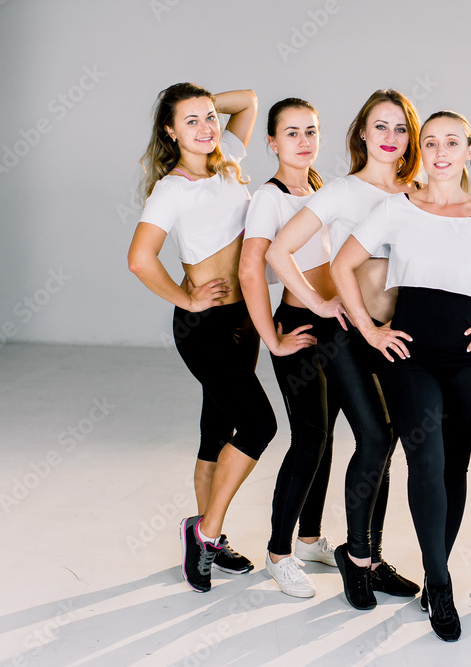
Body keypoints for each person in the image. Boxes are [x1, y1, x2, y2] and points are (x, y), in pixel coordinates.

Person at [331, 110, 471, 641]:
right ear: (422, 151)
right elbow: (343, 265)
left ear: (469, 150)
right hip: (411, 358)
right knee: (425, 464)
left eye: (451, 142)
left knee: (454, 468)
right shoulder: (396, 208)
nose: (439, 151)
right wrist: (369, 331)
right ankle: (441, 584)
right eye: (430, 142)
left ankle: (436, 578)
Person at [128, 83, 293, 593]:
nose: (206, 128)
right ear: (169, 131)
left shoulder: (229, 162)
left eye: (208, 119)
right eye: (190, 121)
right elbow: (139, 259)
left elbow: (247, 98)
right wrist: (187, 299)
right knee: (260, 425)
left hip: (243, 319)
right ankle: (205, 531)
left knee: (214, 432)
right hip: (205, 328)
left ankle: (206, 535)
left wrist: (202, 107)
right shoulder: (171, 189)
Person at [267, 90, 421, 611]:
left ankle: (372, 560)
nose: (390, 137)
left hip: (397, 333)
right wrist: (317, 302)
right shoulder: (339, 192)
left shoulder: (418, 192)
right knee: (373, 438)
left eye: (400, 128)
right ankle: (356, 560)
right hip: (349, 334)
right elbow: (277, 251)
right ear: (361, 134)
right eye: (380, 127)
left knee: (390, 441)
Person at [238, 98, 338, 598]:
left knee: (330, 433)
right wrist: (272, 339)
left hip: (334, 321)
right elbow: (251, 270)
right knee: (310, 435)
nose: (304, 140)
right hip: (300, 322)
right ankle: (279, 553)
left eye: (311, 131)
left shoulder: (321, 189)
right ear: (272, 142)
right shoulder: (268, 198)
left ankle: (312, 537)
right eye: (292, 133)